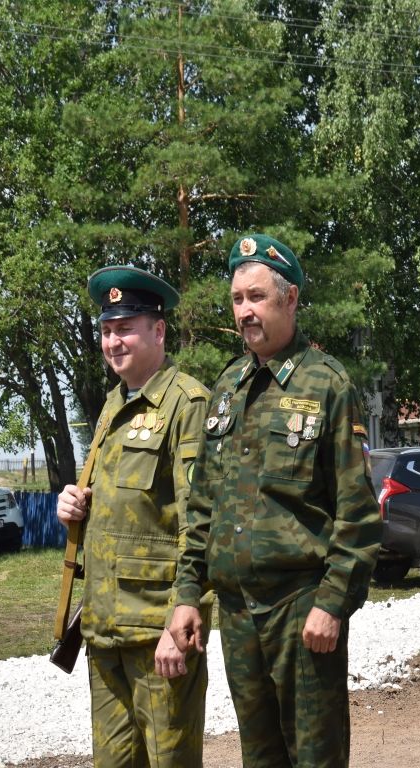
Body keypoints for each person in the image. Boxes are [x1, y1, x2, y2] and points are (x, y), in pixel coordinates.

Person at [167, 234, 382, 768]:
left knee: (314, 758)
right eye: (238, 299)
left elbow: (357, 513)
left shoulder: (326, 383)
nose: (245, 311)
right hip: (238, 616)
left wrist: (333, 603)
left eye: (257, 297)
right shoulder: (228, 388)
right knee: (258, 758)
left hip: (300, 612)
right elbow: (203, 505)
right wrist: (188, 593)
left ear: (290, 299)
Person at [56, 266, 210, 768]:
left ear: (158, 331)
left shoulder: (186, 404)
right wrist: (76, 507)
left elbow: (201, 525)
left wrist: (180, 626)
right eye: (105, 331)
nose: (112, 342)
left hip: (157, 637)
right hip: (105, 632)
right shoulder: (110, 408)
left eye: (124, 328)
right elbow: (125, 505)